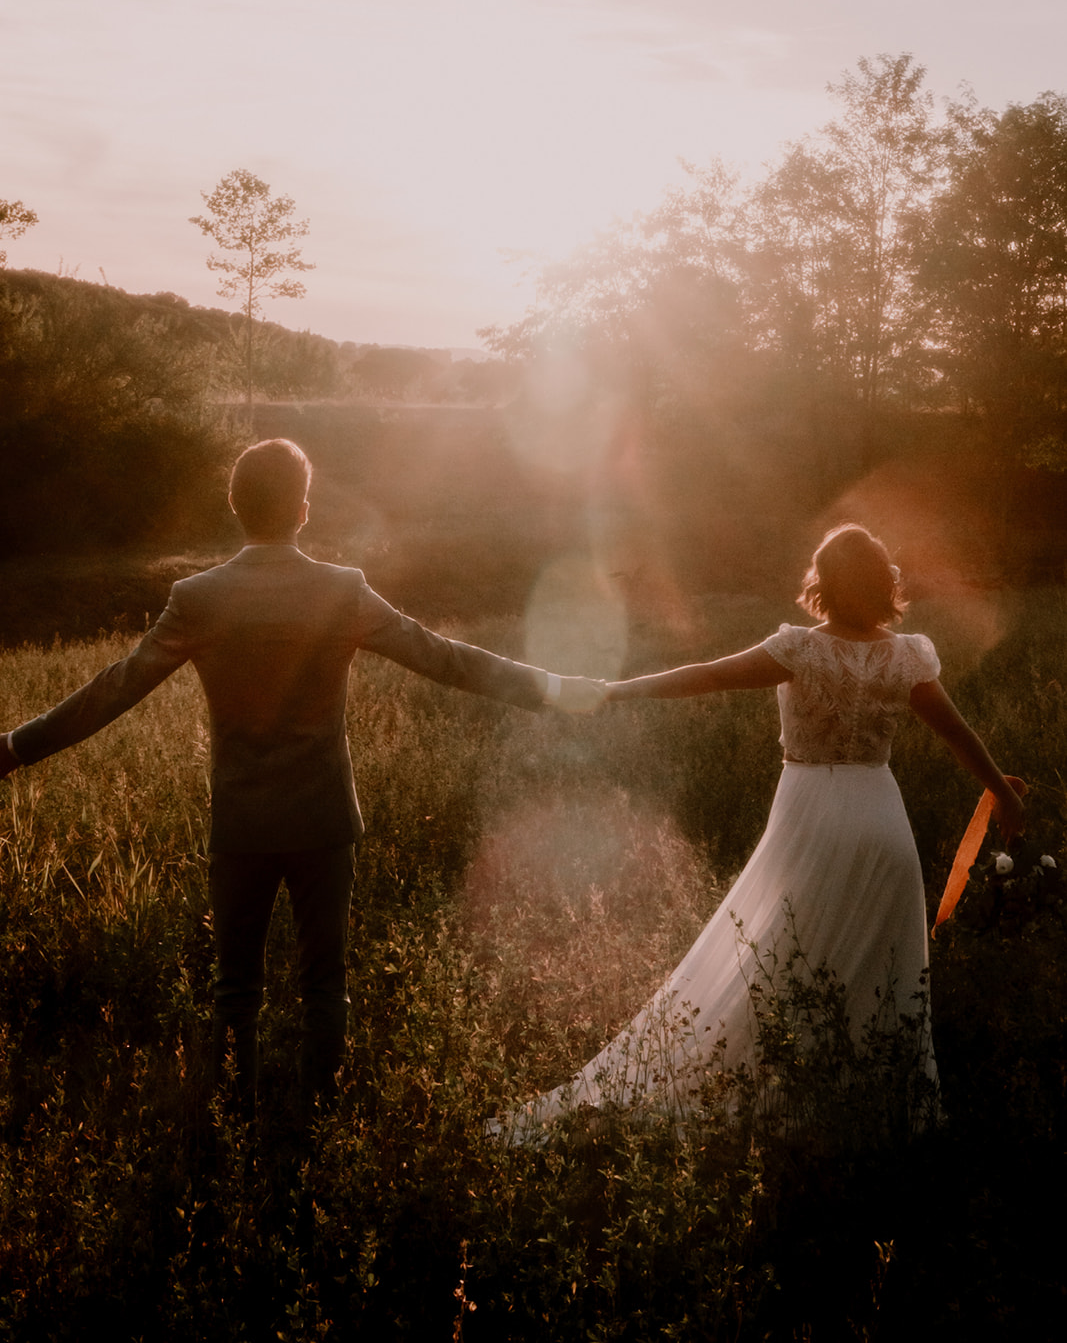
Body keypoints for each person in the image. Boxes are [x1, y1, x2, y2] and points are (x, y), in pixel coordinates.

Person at [0, 438, 601, 1115]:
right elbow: (446, 658)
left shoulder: (197, 597)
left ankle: (235, 1132)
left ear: (234, 506)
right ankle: (318, 1131)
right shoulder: (341, 591)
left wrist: (18, 746)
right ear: (304, 509)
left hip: (242, 822)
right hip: (323, 819)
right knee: (324, 985)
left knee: (235, 992)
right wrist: (555, 688)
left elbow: (116, 687)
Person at [499, 523, 1024, 1139]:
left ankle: (781, 1092)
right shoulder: (905, 656)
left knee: (783, 955)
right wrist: (1000, 790)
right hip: (882, 819)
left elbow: (706, 675)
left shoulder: (800, 649)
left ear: (822, 583)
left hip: (811, 811)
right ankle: (878, 1108)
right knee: (885, 965)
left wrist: (613, 691)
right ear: (885, 582)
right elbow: (957, 733)